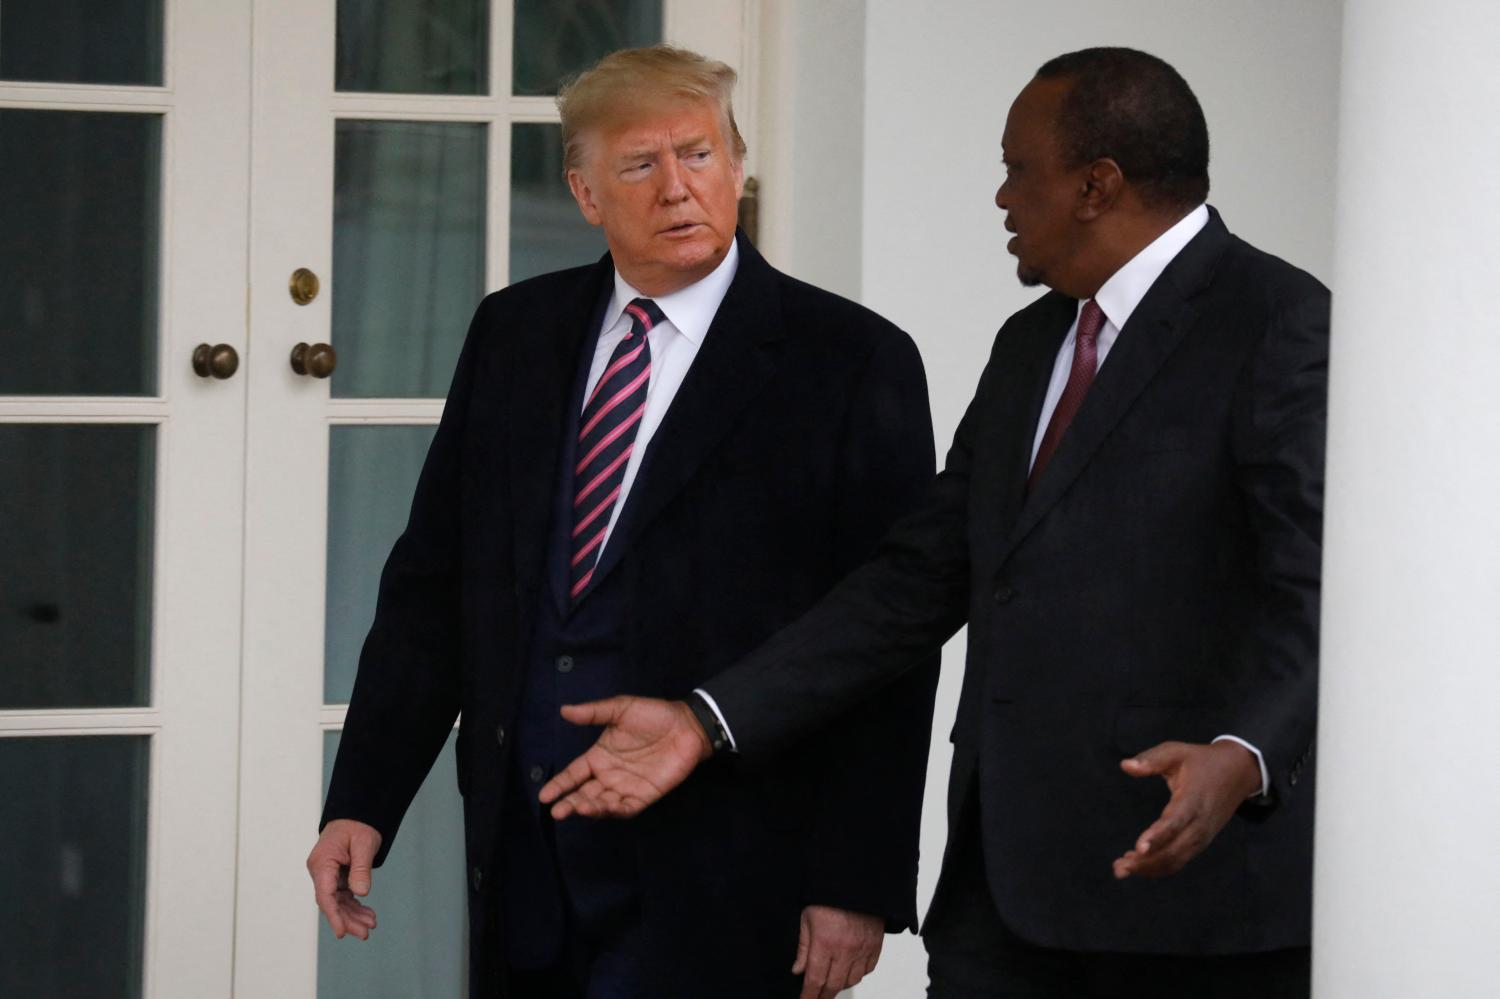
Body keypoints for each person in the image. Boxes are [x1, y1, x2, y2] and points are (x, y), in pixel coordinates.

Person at [540, 47, 1328, 998]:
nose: (1001, 197)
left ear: (1096, 184)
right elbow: (915, 580)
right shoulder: (1033, 339)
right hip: (999, 910)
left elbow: (1324, 590)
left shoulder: (1280, 322)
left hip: (1189, 916)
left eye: (1016, 169)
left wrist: (1244, 753)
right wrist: (705, 722)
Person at [304, 44, 941, 999]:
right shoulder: (513, 334)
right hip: (529, 861)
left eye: (699, 154)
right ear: (586, 191)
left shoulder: (854, 360)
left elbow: (890, 640)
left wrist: (855, 880)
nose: (677, 189)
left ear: (736, 168)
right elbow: (435, 582)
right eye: (641, 165)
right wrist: (363, 798)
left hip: (731, 871)